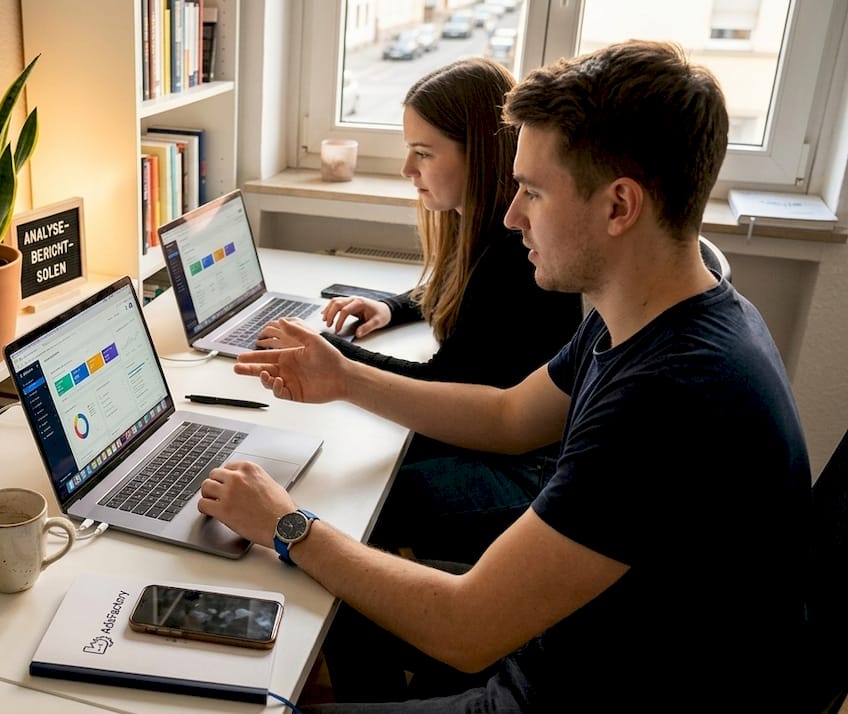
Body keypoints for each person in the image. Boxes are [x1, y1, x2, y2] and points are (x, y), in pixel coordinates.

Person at [200, 40, 810, 713]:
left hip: (570, 692)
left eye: (534, 192)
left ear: (619, 207)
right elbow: (510, 416)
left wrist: (286, 524)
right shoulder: (650, 310)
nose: (513, 215)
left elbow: (465, 628)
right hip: (577, 643)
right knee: (328, 593)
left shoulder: (673, 395)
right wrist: (345, 378)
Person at [262, 57, 582, 566]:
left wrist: (332, 355)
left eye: (423, 153)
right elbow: (454, 289)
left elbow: (441, 385)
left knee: (343, 498)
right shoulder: (476, 227)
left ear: (480, 154)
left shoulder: (514, 254)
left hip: (525, 471)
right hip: (503, 445)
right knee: (326, 464)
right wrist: (391, 307)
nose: (407, 170)